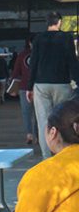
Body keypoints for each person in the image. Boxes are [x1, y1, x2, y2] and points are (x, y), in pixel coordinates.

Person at [25, 12, 79, 159]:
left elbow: (33, 64)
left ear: (47, 22)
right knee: (63, 119)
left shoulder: (38, 39)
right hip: (62, 84)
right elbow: (72, 62)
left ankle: (46, 157)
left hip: (41, 85)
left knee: (44, 122)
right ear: (59, 22)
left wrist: (29, 87)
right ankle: (62, 155)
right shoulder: (66, 38)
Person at [10, 40, 37, 145]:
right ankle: (38, 137)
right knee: (38, 114)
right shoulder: (41, 53)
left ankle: (29, 134)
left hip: (24, 87)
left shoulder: (22, 55)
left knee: (26, 113)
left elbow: (16, 72)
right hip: (38, 87)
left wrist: (13, 87)